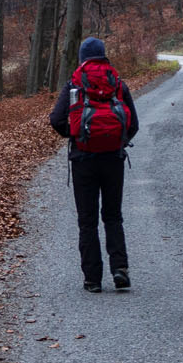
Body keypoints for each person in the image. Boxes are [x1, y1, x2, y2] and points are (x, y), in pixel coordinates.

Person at [50, 36, 140, 293]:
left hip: (83, 160)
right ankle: (120, 268)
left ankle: (92, 279)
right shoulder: (117, 82)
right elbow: (132, 124)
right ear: (103, 56)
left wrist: (77, 134)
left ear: (81, 58)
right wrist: (118, 141)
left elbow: (56, 119)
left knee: (87, 221)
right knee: (113, 216)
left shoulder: (75, 84)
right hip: (113, 158)